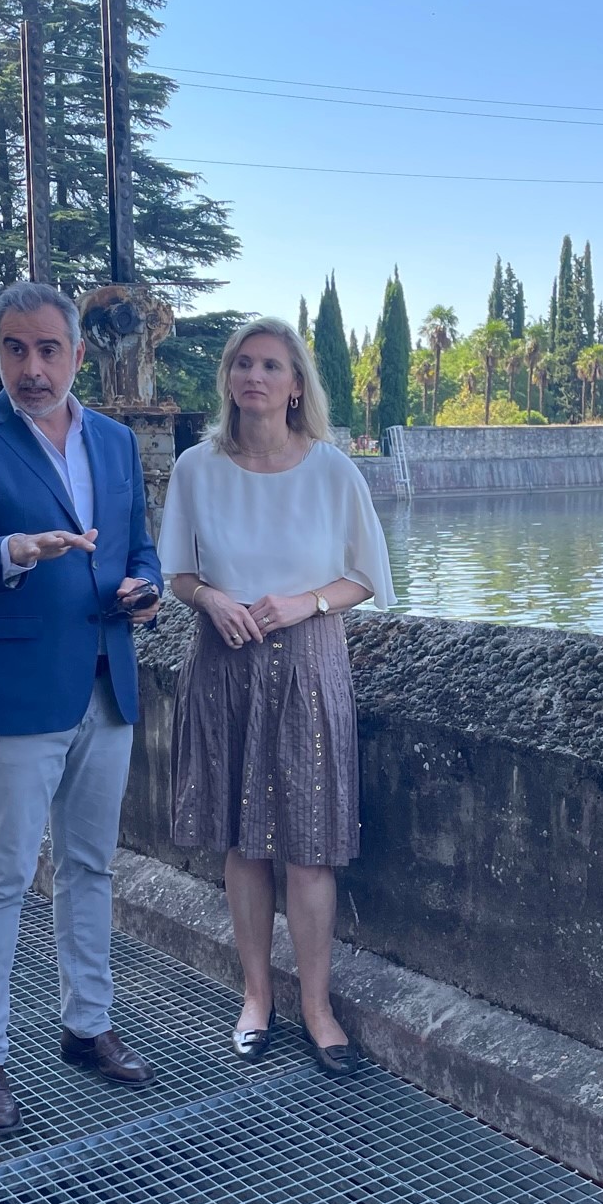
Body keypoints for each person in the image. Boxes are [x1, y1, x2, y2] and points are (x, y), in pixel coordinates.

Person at [0, 280, 162, 1130]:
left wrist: (146, 589)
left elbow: (139, 548)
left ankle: (87, 1026)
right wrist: (15, 550)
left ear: (78, 354)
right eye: (14, 350)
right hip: (18, 689)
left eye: (48, 350)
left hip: (108, 677)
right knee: (1, 875)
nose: (31, 368)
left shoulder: (117, 442)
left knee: (90, 867)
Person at [156, 317, 395, 1076]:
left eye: (270, 366)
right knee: (243, 843)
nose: (254, 377)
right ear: (228, 379)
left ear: (296, 386)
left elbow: (367, 578)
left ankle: (318, 1008)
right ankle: (256, 997)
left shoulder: (333, 470)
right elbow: (178, 573)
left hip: (309, 664)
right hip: (225, 663)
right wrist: (210, 599)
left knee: (311, 849)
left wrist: (304, 603)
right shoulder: (196, 468)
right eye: (243, 364)